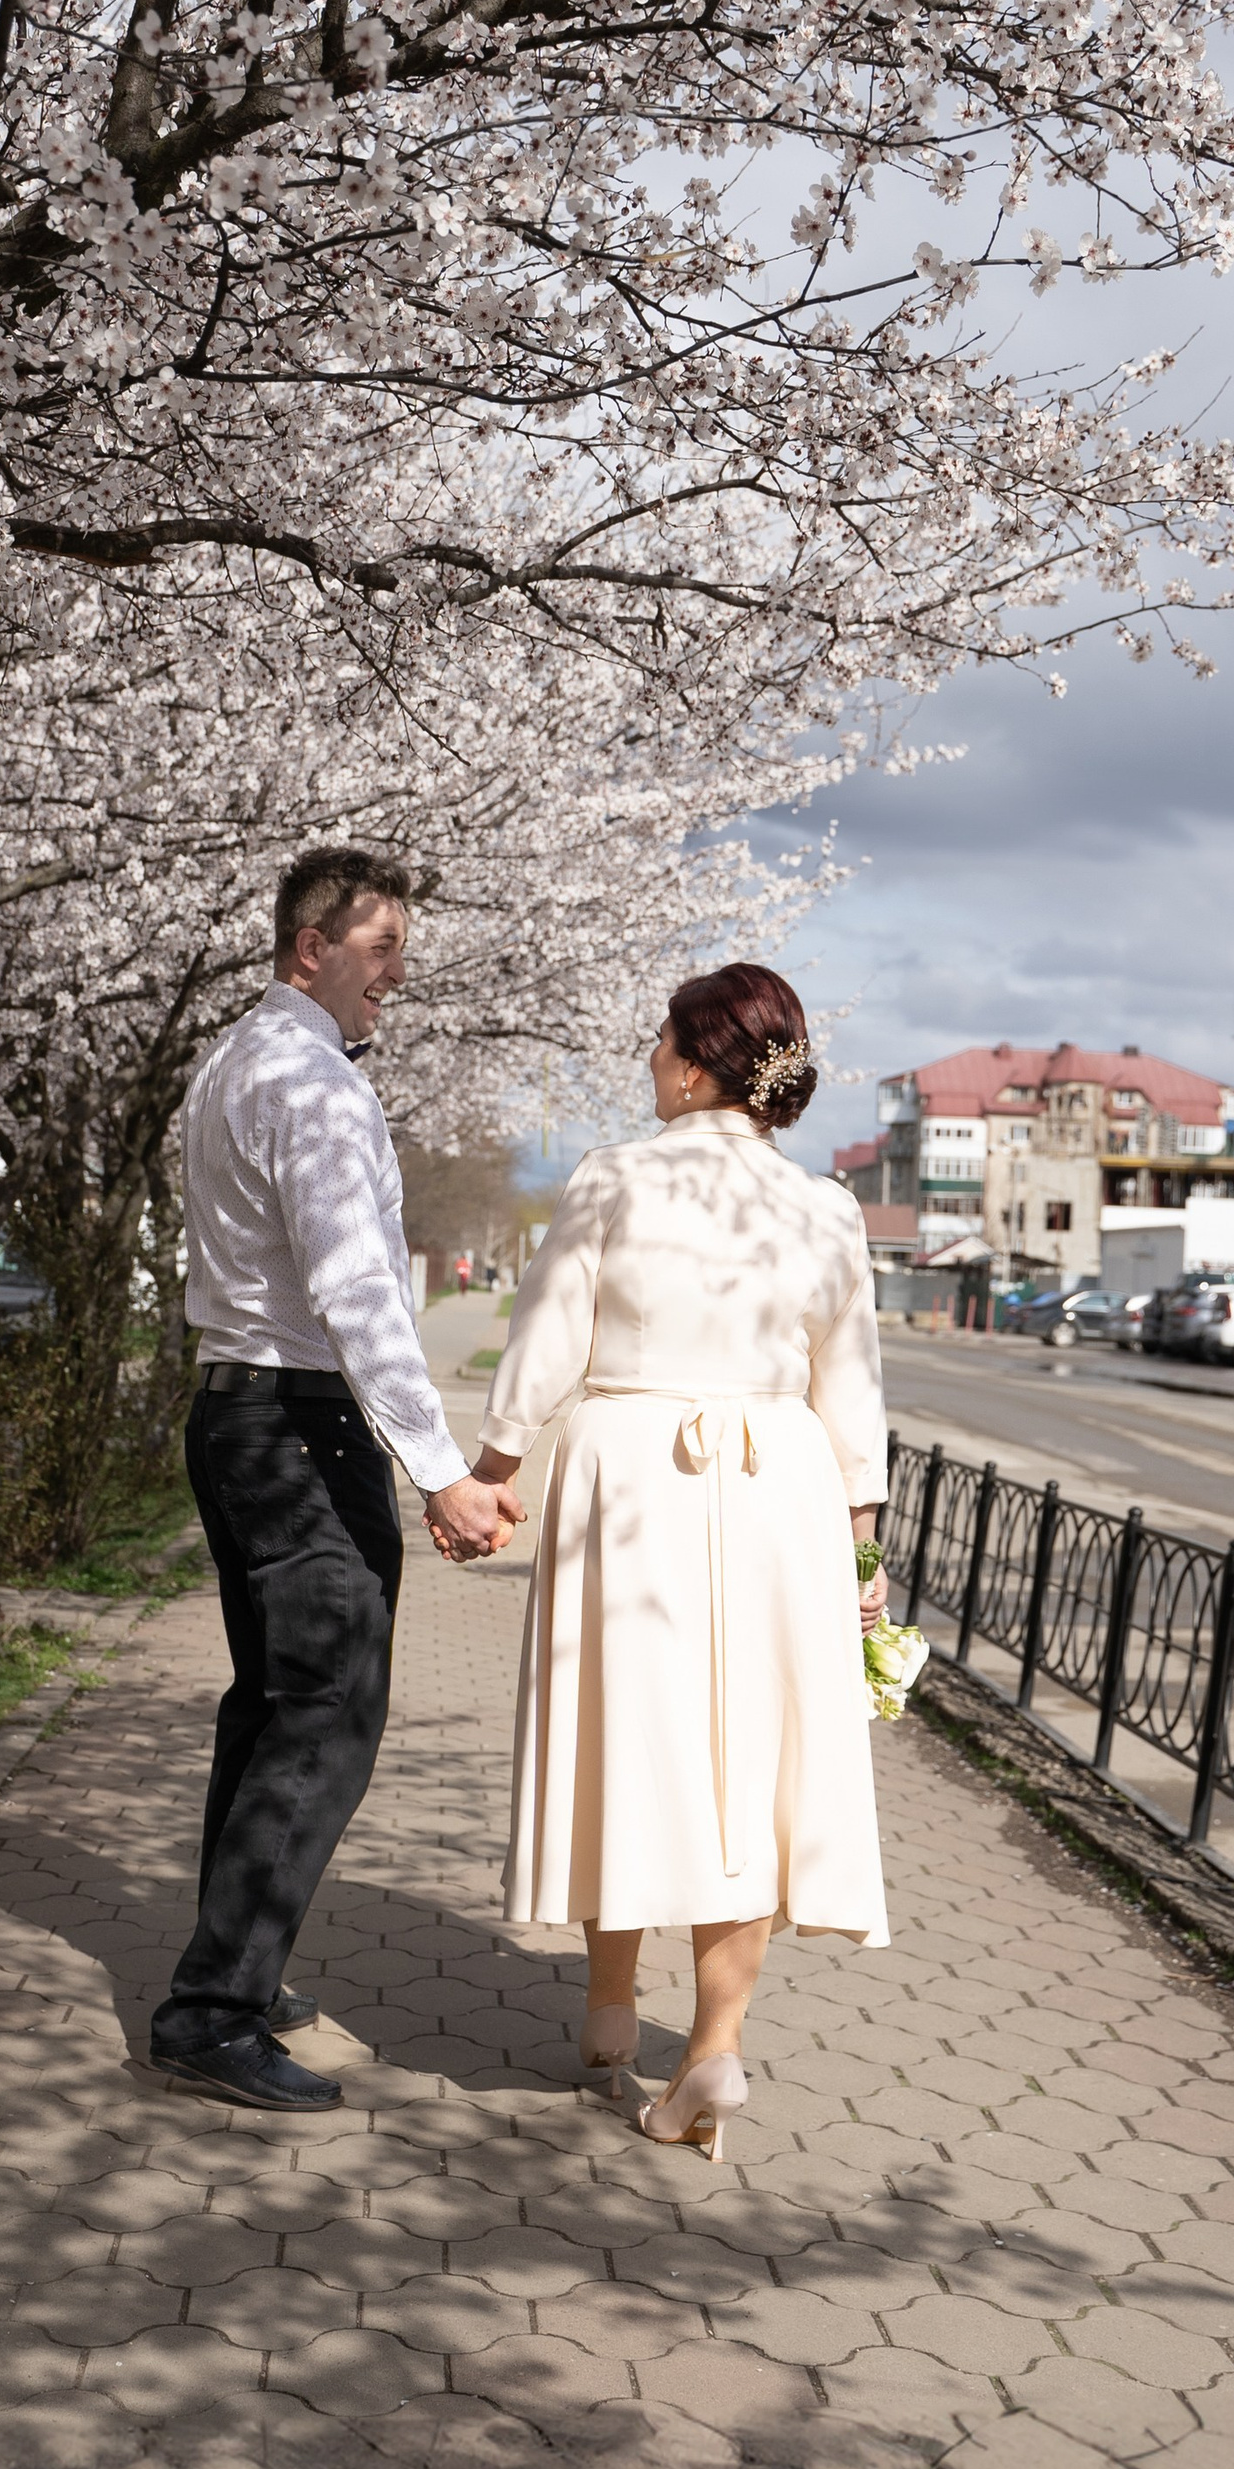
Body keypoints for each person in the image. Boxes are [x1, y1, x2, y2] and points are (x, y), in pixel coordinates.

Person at [471, 963, 889, 2163]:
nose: (650, 1057)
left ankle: (609, 2003)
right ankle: (712, 2044)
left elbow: (547, 1333)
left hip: (633, 1470)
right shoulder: (825, 1208)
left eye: (662, 1040)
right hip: (782, 1483)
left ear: (698, 1062)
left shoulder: (613, 1174)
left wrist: (494, 1466)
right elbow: (851, 1387)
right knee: (744, 1758)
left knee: (628, 1727)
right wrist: (861, 1548)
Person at [148, 847, 523, 2114]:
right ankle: (213, 2007)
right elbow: (357, 1289)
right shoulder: (307, 1082)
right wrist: (440, 1471)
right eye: (379, 947)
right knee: (326, 1713)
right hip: (300, 1424)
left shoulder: (236, 1056)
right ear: (310, 944)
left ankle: (237, 1971)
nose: (396, 973)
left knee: (272, 1703)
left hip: (242, 1411)